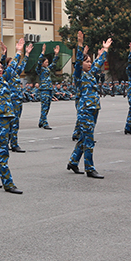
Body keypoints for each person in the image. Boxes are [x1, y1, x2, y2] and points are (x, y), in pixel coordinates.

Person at [0, 32, 29, 194]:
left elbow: (13, 67)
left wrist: (18, 52)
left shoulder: (4, 79)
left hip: (8, 118)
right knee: (2, 152)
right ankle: (8, 183)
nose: (1, 69)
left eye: (1, 67)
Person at [67, 31, 112, 178]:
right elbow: (79, 61)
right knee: (89, 140)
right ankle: (89, 168)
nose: (89, 63)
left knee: (84, 138)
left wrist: (105, 50)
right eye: (87, 61)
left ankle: (73, 161)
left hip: (93, 109)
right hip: (85, 110)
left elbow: (98, 64)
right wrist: (79, 45)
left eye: (90, 62)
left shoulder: (90, 74)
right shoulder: (79, 75)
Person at [36, 43, 59, 130]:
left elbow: (53, 64)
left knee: (48, 106)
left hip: (49, 89)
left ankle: (41, 120)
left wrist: (56, 54)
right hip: (44, 89)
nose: (47, 63)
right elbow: (38, 62)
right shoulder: (40, 69)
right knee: (44, 106)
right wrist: (43, 52)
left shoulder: (47, 69)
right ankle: (44, 122)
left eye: (47, 62)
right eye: (45, 62)